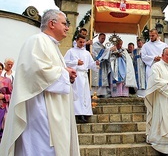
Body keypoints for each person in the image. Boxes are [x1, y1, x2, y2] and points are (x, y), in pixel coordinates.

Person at [0, 9, 80, 156]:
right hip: (41, 111)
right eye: (64, 23)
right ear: (51, 24)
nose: (67, 28)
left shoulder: (52, 45)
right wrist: (64, 73)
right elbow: (35, 71)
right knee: (42, 148)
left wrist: (67, 74)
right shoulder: (37, 40)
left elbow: (49, 70)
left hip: (53, 109)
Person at [64, 34, 99, 123]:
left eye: (84, 42)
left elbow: (91, 64)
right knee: (78, 94)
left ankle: (85, 112)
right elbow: (65, 63)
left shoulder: (86, 53)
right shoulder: (71, 51)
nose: (82, 44)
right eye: (80, 42)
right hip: (76, 75)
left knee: (84, 95)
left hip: (83, 75)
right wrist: (76, 62)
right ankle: (78, 114)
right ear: (76, 41)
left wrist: (96, 64)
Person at [91, 33, 114, 98]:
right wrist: (109, 49)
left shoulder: (103, 46)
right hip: (97, 63)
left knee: (102, 79)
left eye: (104, 38)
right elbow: (99, 53)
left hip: (103, 65)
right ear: (98, 37)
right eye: (102, 38)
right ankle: (94, 93)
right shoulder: (95, 44)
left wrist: (110, 52)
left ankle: (102, 93)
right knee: (96, 79)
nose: (103, 39)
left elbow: (106, 54)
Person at [0, 62, 12, 142]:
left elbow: (12, 95)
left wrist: (4, 96)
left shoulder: (7, 81)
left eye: (0, 69)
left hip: (2, 108)